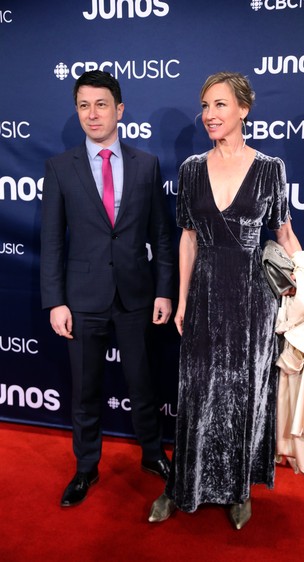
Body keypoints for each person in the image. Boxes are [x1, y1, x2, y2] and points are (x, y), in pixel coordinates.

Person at [148, 71, 302, 529]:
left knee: (244, 394)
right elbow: (188, 241)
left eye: (219, 105)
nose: (209, 115)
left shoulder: (271, 167)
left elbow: (285, 234)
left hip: (255, 301)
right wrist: (181, 301)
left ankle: (239, 490)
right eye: (205, 106)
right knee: (197, 393)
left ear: (243, 109)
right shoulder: (192, 168)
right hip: (206, 296)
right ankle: (181, 486)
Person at [40, 70, 174, 507]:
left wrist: (164, 290)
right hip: (81, 300)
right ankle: (85, 468)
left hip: (136, 294)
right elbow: (53, 242)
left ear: (119, 109)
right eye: (83, 105)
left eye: (101, 104)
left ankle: (153, 455)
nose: (92, 114)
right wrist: (55, 301)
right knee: (86, 389)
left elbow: (163, 234)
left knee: (143, 383)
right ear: (76, 111)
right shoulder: (60, 168)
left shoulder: (146, 165)